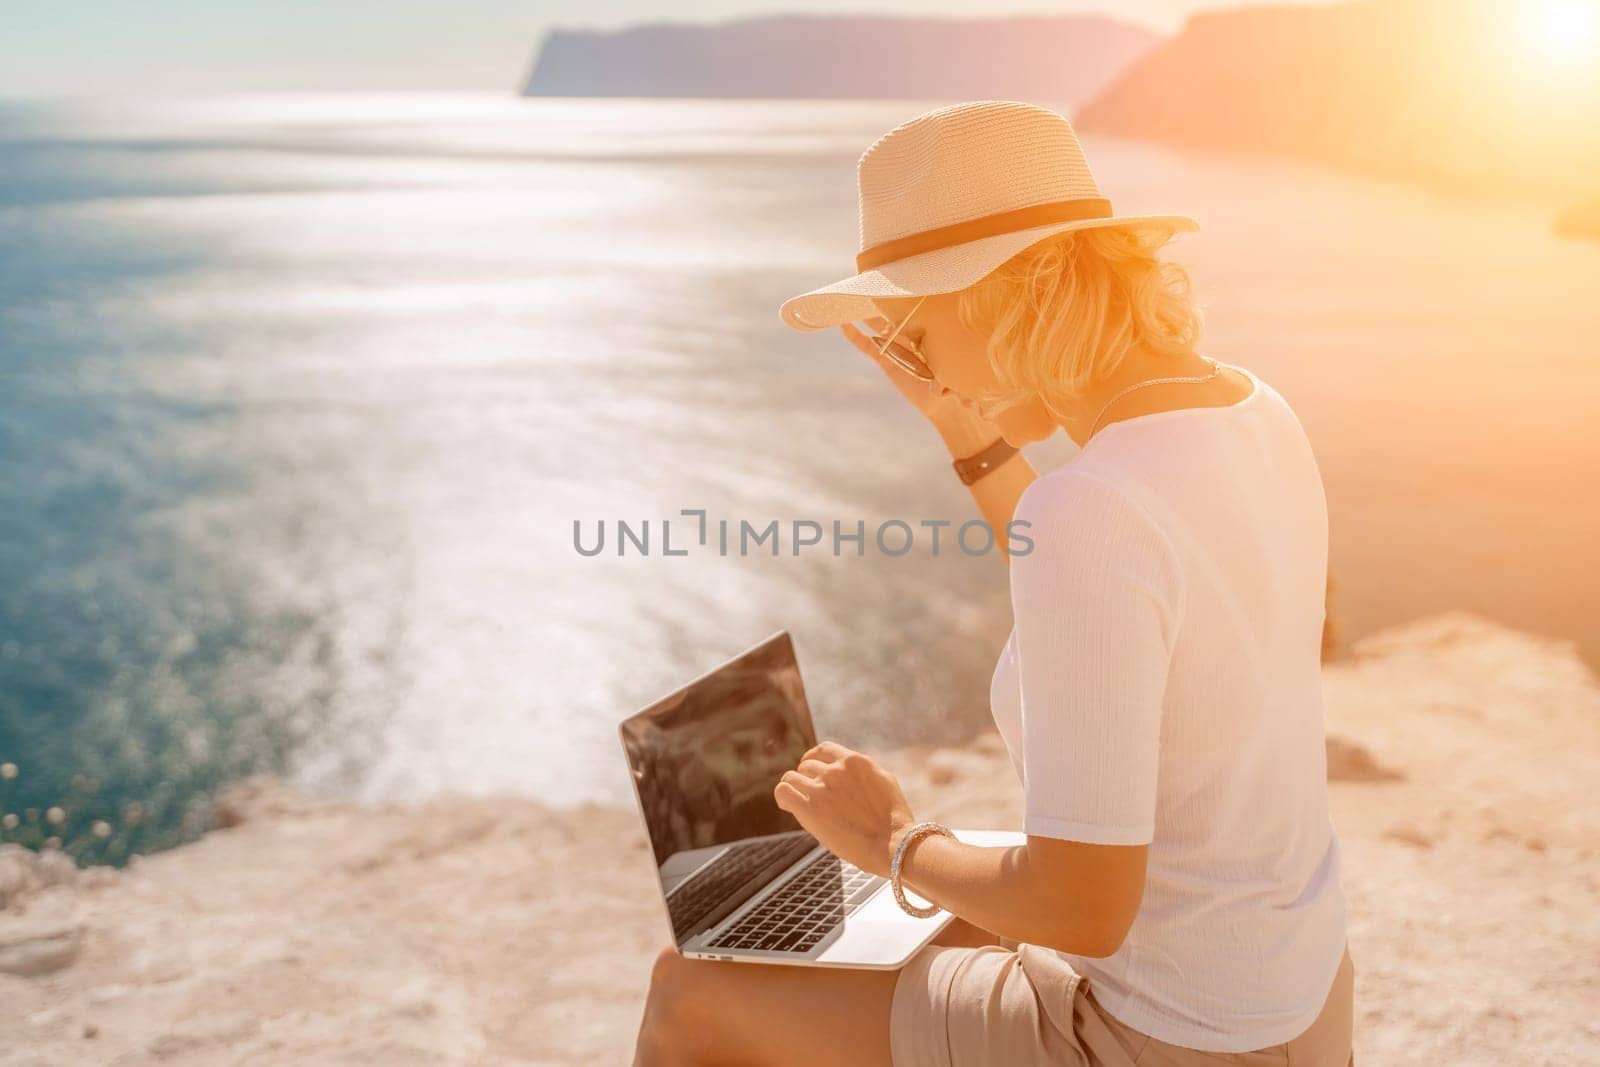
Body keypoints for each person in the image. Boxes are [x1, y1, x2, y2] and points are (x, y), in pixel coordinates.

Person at [633, 100, 1354, 1067]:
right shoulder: (1254, 411)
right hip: (1291, 1000)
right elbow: (1128, 582)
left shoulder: (1093, 511)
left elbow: (1080, 909)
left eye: (911, 326)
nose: (913, 357)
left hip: (1162, 1040)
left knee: (692, 990)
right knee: (875, 924)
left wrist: (889, 835)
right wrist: (967, 431)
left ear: (999, 295)